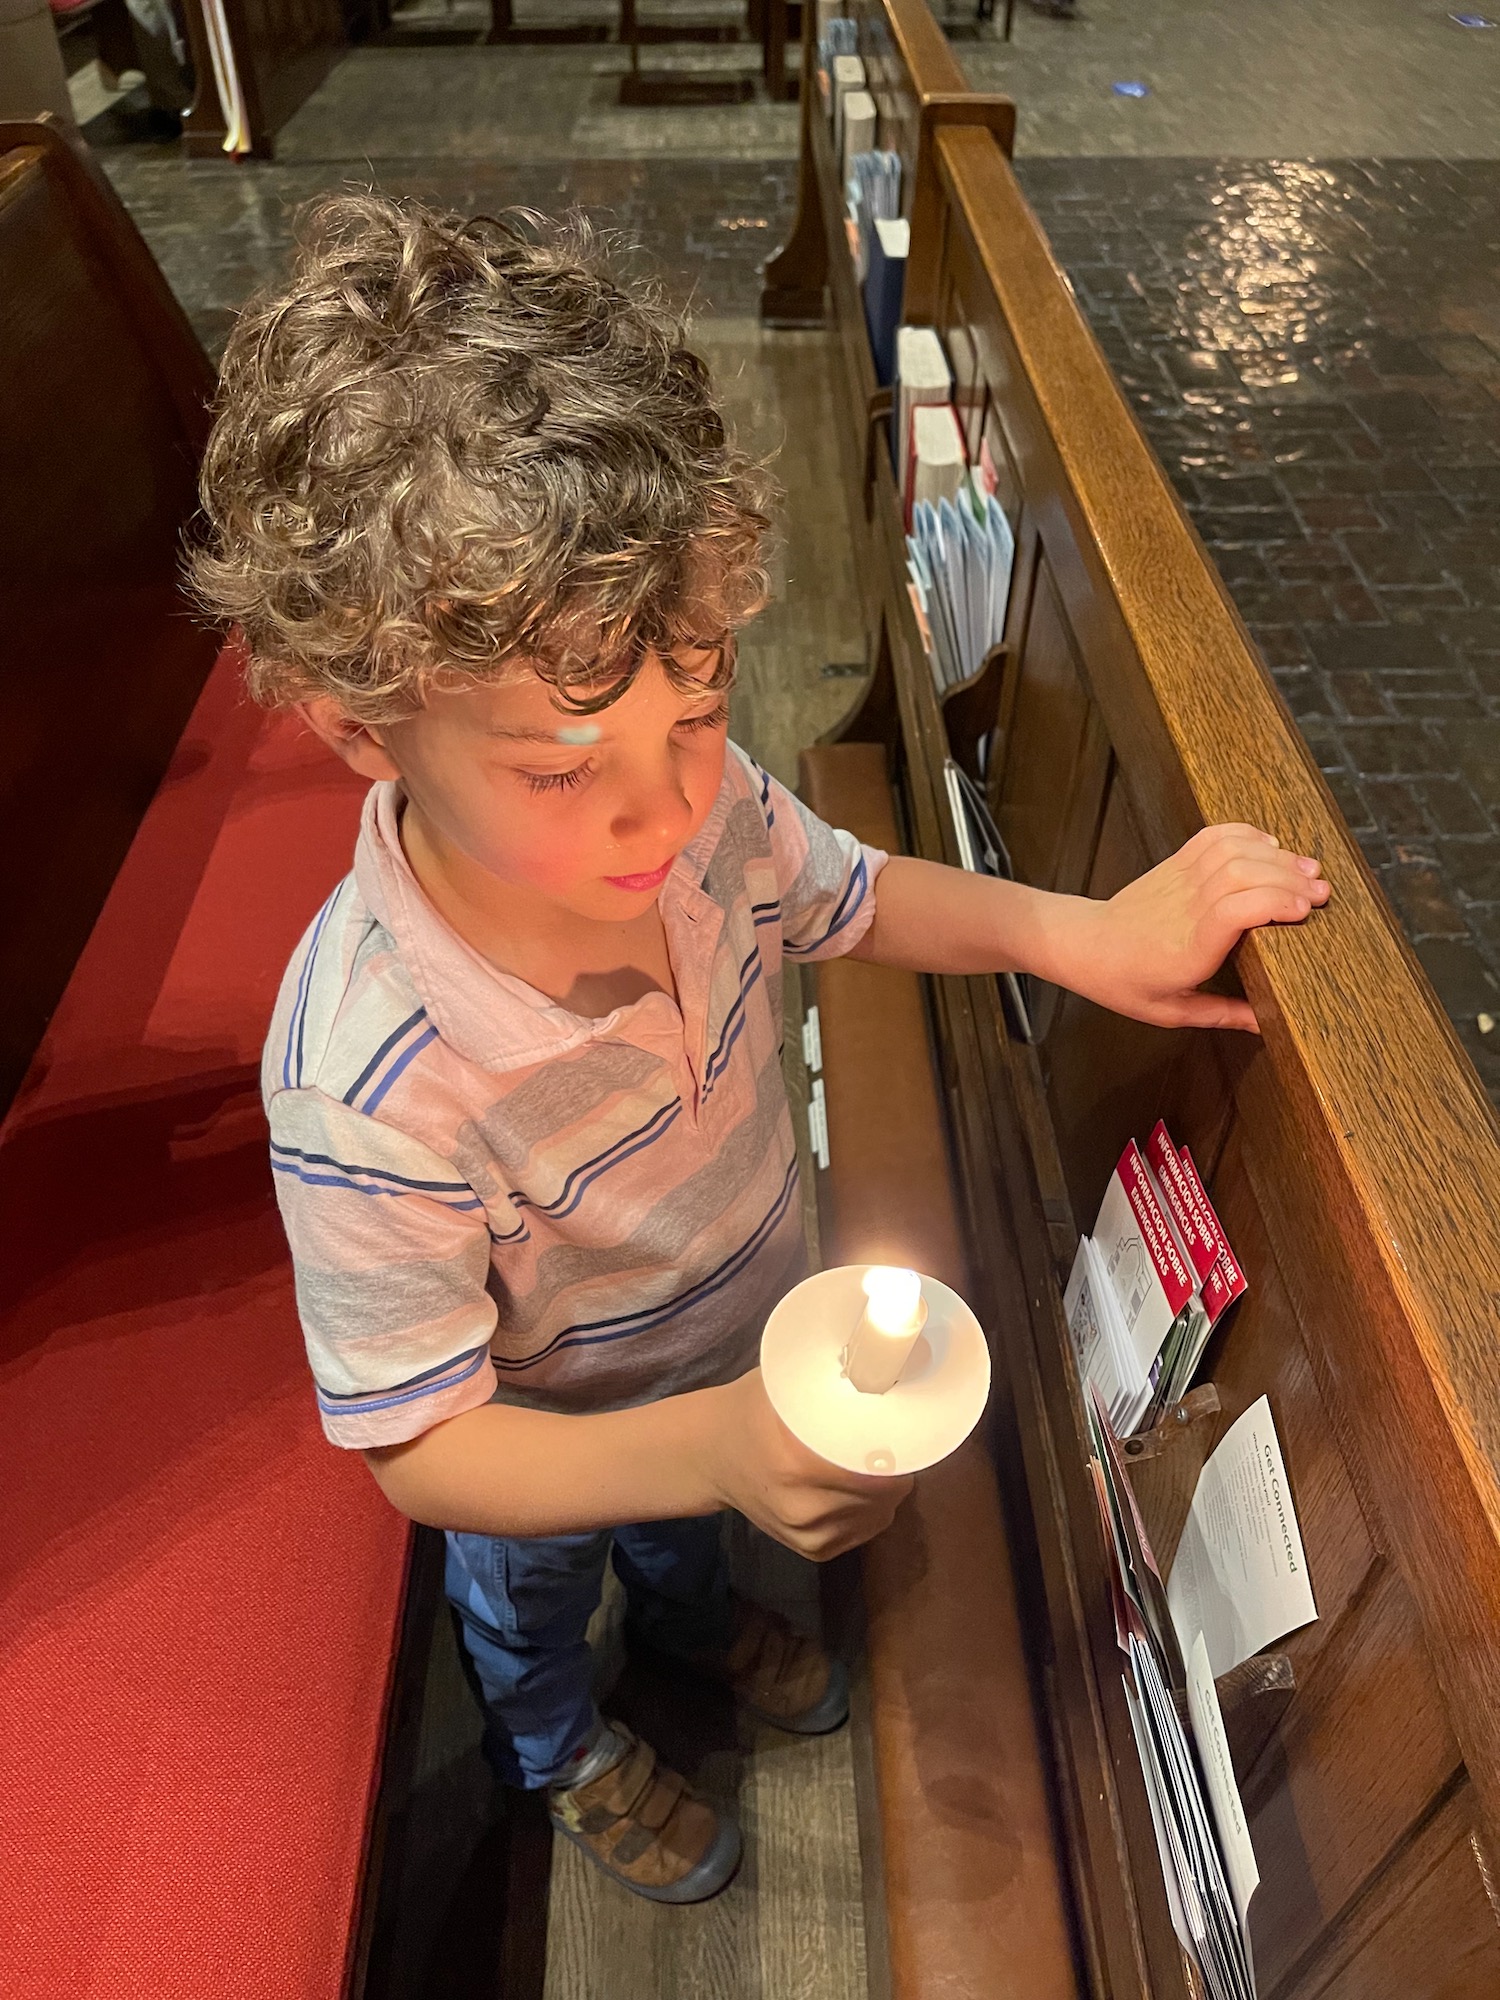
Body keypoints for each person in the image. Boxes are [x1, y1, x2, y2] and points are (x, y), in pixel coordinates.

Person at [190, 191, 1331, 1906]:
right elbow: (424, 1445)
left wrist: (1076, 933)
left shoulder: (706, 821)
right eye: (566, 770)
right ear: (366, 727)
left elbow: (858, 899)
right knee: (537, 1602)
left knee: (694, 1544)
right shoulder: (368, 1084)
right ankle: (561, 1746)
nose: (663, 811)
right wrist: (703, 1447)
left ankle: (702, 1617)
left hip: (732, 1336)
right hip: (551, 1428)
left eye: (702, 706)